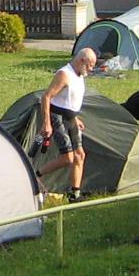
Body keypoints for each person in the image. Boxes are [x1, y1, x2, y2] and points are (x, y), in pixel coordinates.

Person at [38, 47, 97, 202]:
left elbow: (69, 99)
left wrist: (75, 118)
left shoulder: (80, 74)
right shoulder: (64, 75)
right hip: (58, 118)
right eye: (90, 65)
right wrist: (46, 124)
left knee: (80, 155)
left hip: (71, 119)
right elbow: (46, 97)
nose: (91, 69)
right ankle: (35, 175)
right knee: (67, 159)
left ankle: (74, 194)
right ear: (82, 60)